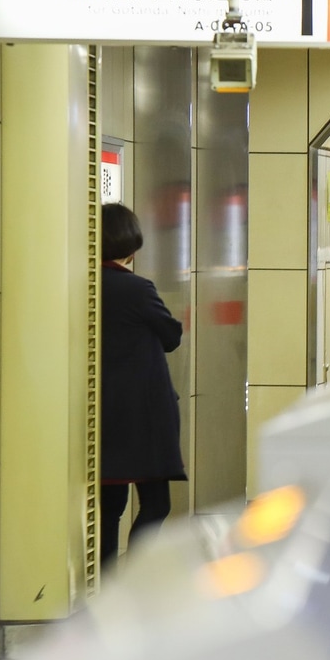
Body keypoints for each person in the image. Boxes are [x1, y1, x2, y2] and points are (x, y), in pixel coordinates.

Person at [100, 202, 186, 569]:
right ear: (130, 245)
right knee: (156, 503)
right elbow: (171, 335)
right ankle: (133, 579)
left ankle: (101, 582)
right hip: (142, 415)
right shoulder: (136, 288)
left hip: (100, 413)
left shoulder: (81, 286)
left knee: (108, 509)